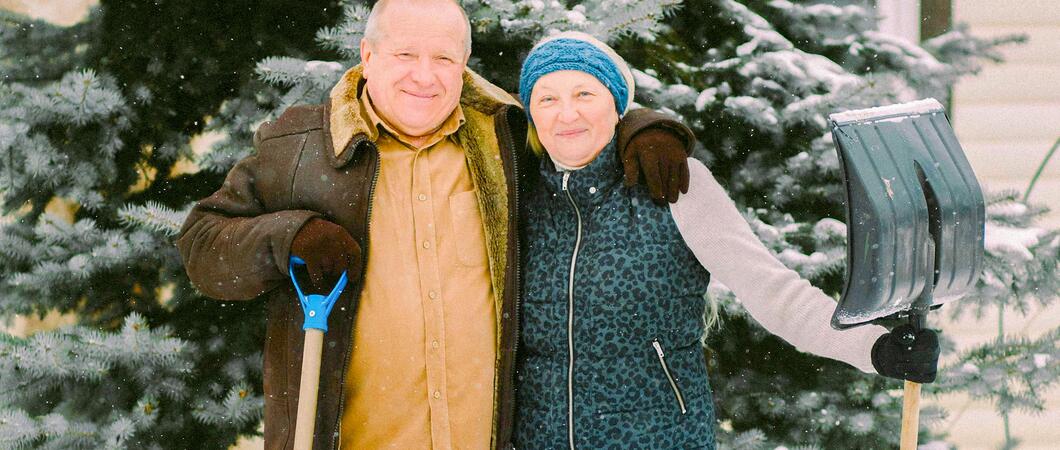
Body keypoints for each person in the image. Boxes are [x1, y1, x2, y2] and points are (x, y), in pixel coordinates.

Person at [175, 1, 697, 449]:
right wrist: (290, 236)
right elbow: (202, 245)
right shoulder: (301, 147)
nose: (424, 76)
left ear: (464, 65)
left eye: (443, 58)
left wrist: (646, 129)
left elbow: (576, 123)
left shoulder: (504, 140)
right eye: (405, 55)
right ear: (367, 56)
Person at [512, 31, 941, 449]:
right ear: (531, 113)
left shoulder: (672, 183)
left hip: (660, 438)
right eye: (547, 98)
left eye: (585, 94)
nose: (566, 114)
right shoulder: (514, 194)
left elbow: (773, 292)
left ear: (618, 105)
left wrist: (874, 347)